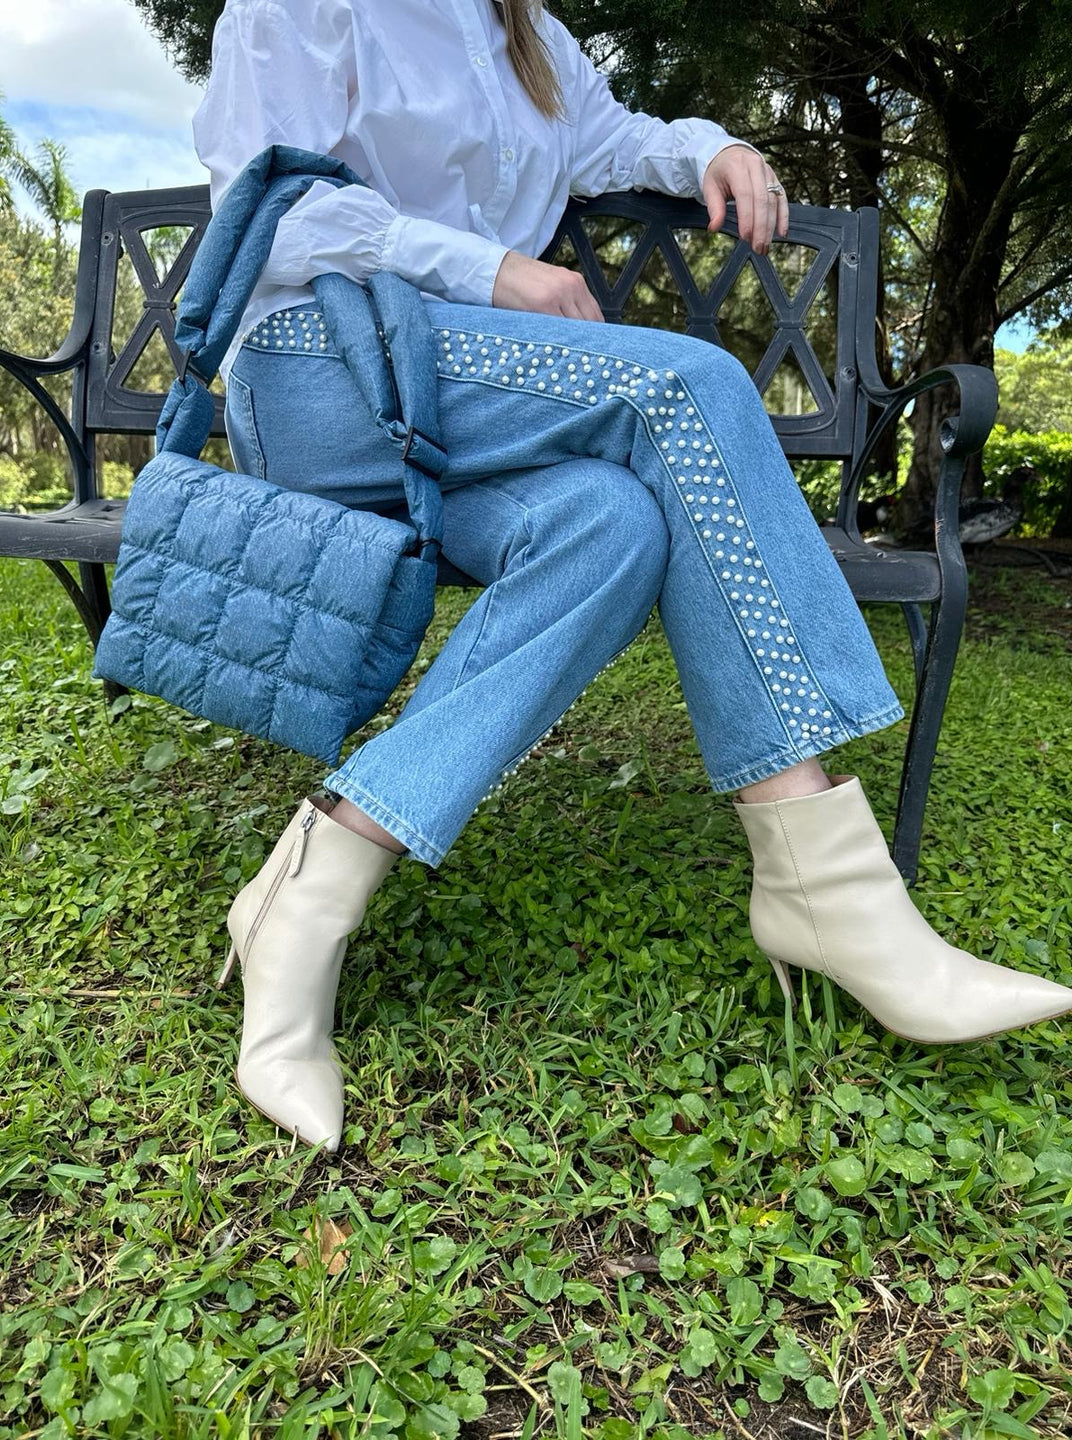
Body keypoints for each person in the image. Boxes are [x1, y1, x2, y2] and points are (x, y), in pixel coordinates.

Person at [192, 0, 1072, 1154]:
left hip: (461, 410)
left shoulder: (525, 31)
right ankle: (825, 885)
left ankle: (304, 894)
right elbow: (270, 206)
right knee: (688, 386)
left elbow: (614, 136)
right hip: (319, 370)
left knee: (608, 527)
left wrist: (710, 146)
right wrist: (494, 268)